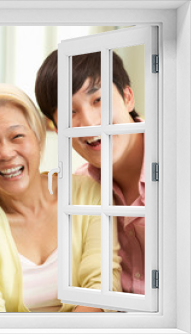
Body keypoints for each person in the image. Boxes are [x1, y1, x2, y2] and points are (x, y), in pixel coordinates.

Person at [0, 84, 121, 312]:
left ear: (38, 139)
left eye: (17, 136)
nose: (6, 153)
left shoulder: (87, 194)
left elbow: (103, 288)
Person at [35, 50, 145, 294]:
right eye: (69, 112)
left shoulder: (179, 163)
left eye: (98, 100)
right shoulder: (80, 191)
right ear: (56, 127)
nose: (89, 122)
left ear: (128, 97)